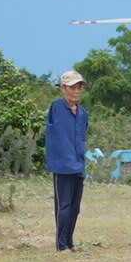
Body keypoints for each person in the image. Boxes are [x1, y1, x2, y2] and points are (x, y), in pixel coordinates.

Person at [46, 70, 89, 252]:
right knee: (63, 206)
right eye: (72, 87)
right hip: (62, 165)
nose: (76, 91)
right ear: (63, 88)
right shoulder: (56, 108)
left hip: (78, 165)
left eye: (79, 87)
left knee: (74, 207)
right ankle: (61, 244)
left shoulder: (83, 113)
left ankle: (70, 242)